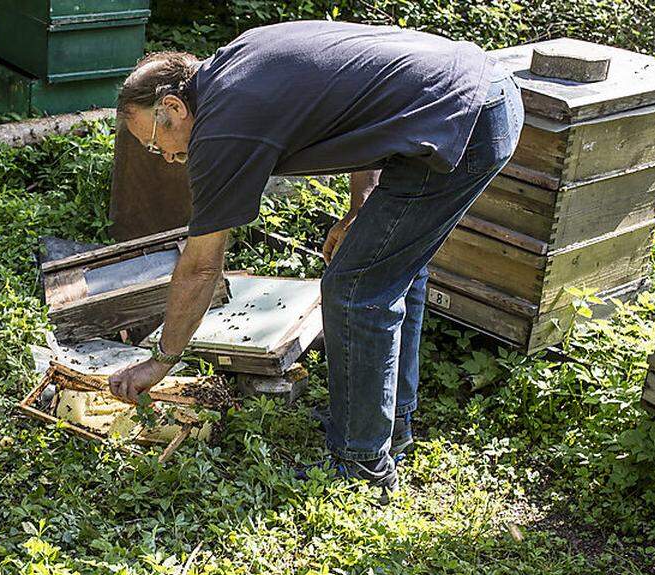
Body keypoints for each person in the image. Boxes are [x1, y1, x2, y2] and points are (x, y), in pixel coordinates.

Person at [107, 20, 523, 498]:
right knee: (392, 272)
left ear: (174, 108)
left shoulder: (223, 129)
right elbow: (356, 104)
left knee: (355, 288)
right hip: (469, 92)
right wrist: (361, 205)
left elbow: (202, 266)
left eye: (156, 143)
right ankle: (392, 424)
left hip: (463, 116)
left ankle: (363, 463)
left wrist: (160, 361)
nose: (163, 156)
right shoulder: (236, 64)